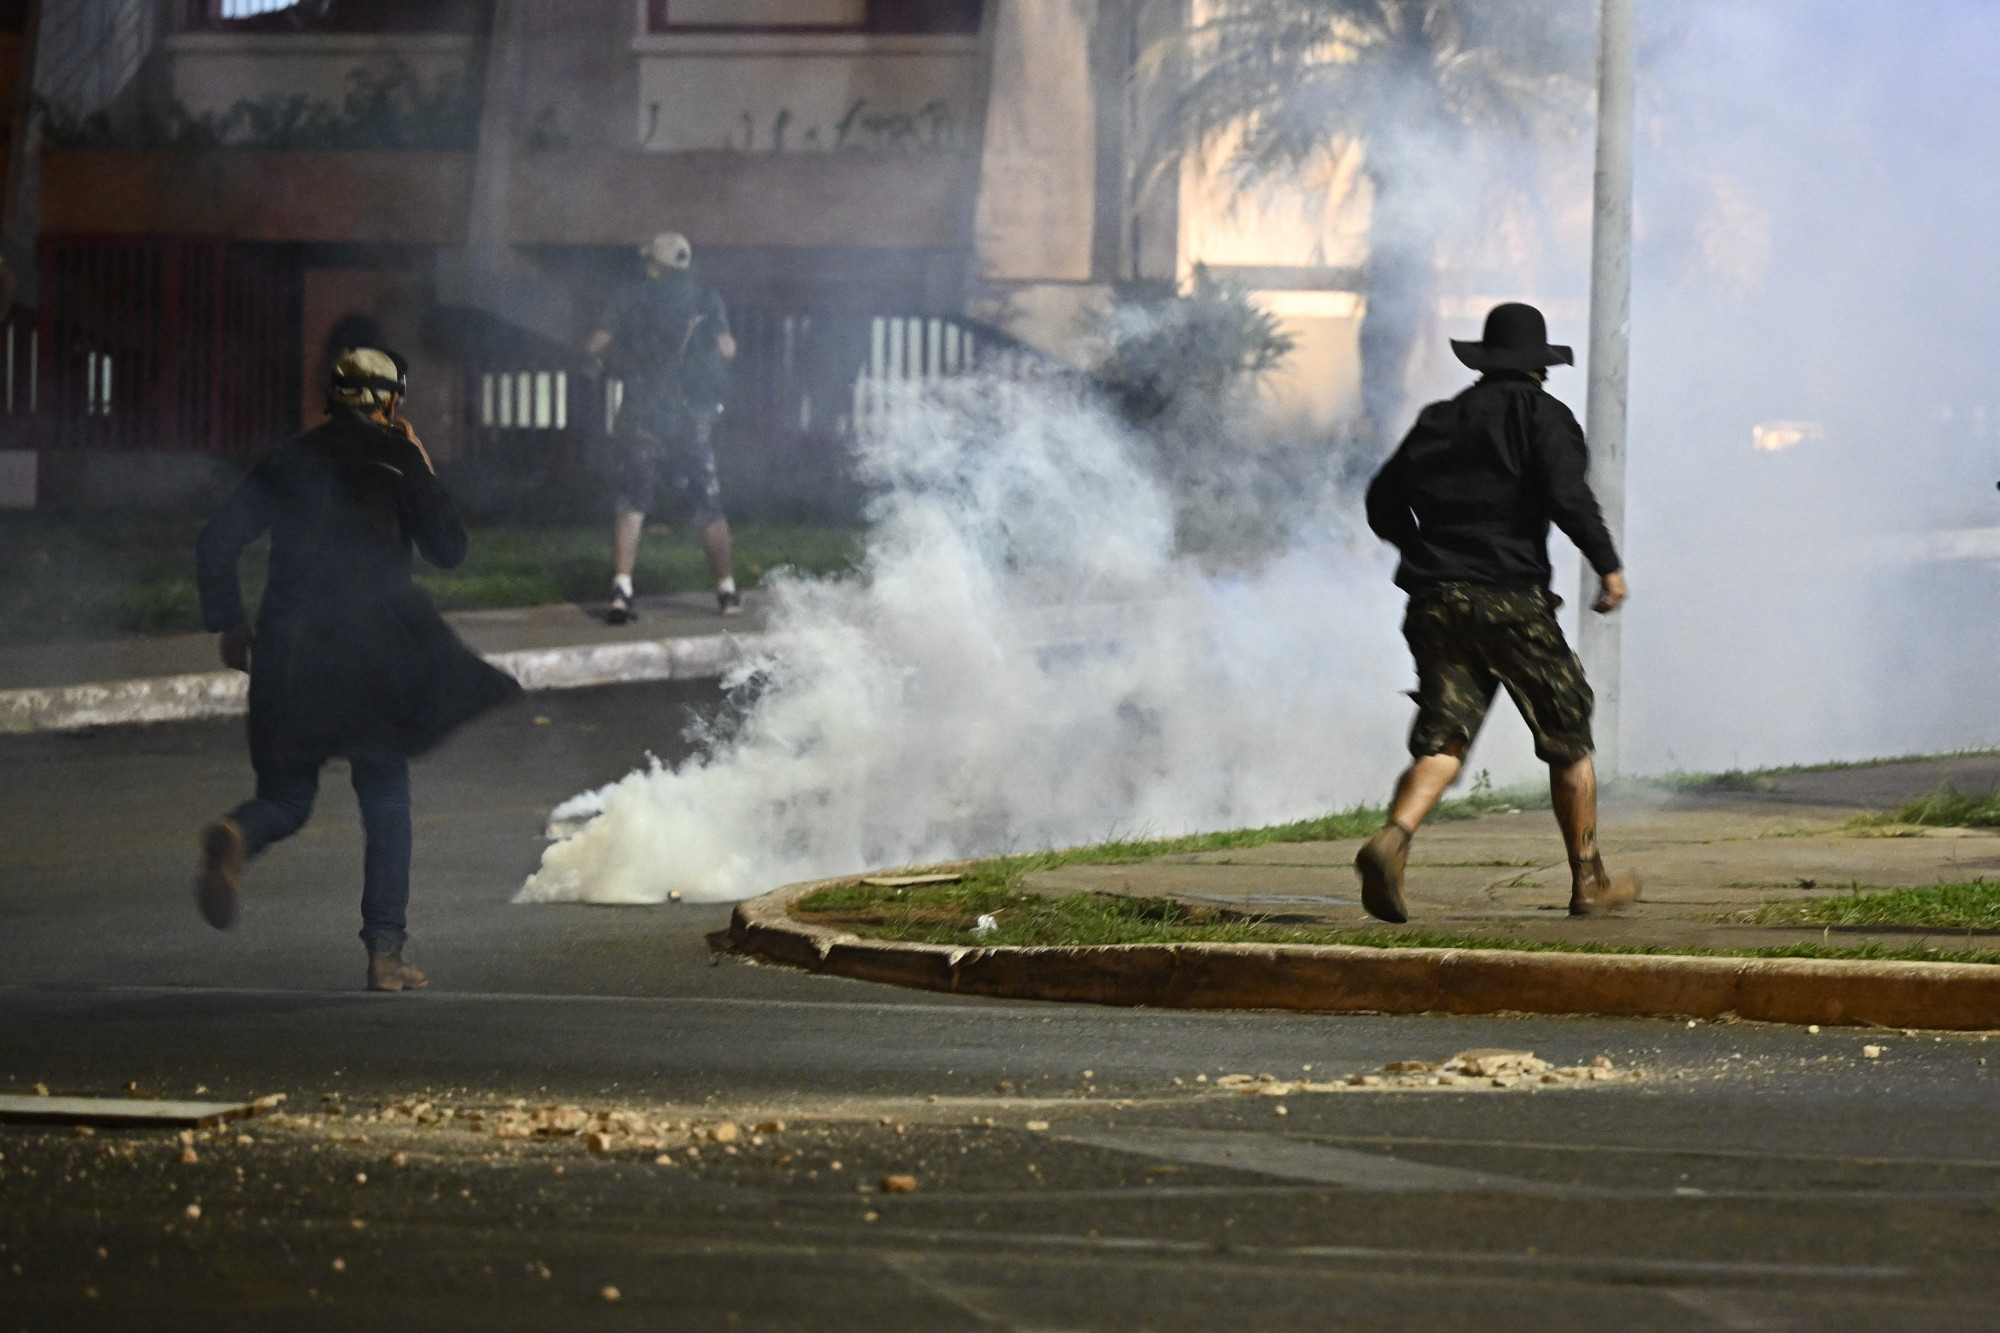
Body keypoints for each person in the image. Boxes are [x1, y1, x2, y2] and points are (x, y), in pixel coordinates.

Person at [192, 348, 522, 990]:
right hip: (369, 655)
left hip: (287, 647)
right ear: (389, 401)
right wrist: (420, 460)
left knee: (285, 797)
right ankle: (385, 953)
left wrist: (231, 623)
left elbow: (216, 541)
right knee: (386, 799)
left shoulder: (288, 458)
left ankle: (238, 832)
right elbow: (449, 549)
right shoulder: (396, 458)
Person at [1357, 302, 1636, 922]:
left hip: (1437, 602)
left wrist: (1420, 547)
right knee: (1567, 736)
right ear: (1540, 366)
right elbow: (1569, 496)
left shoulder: (1441, 419)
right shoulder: (1544, 416)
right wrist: (1607, 564)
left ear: (1485, 361)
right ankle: (1588, 879)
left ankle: (1394, 837)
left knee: (1444, 733)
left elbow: (1382, 499)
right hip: (1512, 604)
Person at [586, 231, 740, 622]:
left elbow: (597, 345)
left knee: (632, 503)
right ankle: (727, 591)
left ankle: (622, 589)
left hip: (642, 414)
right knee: (708, 504)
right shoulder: (707, 299)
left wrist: (597, 357)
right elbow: (728, 349)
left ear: (653, 264)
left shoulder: (630, 296)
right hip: (692, 417)